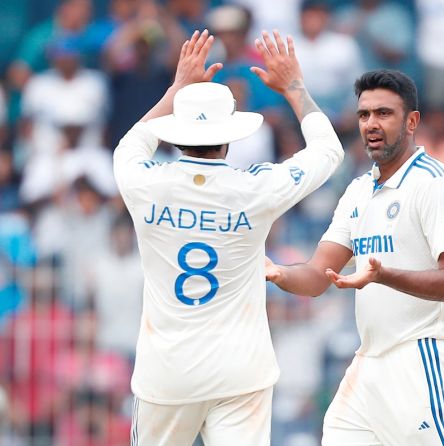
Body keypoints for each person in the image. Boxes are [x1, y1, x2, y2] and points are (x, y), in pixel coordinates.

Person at [112, 29, 344, 445]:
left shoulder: (145, 184)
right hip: (240, 368)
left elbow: (132, 143)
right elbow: (329, 152)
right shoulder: (255, 189)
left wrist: (178, 88)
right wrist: (294, 88)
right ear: (231, 135)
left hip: (167, 371)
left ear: (177, 132)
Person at [266, 69, 444, 445]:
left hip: (423, 356)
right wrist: (276, 271)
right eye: (364, 115)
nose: (371, 125)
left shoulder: (436, 184)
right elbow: (317, 276)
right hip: (369, 363)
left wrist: (384, 275)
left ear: (412, 121)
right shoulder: (360, 189)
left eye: (384, 113)